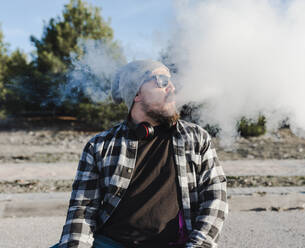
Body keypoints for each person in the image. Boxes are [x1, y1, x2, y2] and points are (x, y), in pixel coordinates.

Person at [53, 60, 228, 248]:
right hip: (110, 243)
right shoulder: (99, 146)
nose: (172, 87)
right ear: (136, 93)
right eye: (161, 81)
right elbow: (82, 210)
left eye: (171, 80)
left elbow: (215, 196)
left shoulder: (196, 138)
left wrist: (199, 246)